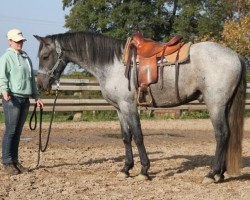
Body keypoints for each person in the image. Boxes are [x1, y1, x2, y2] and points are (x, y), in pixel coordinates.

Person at [0, 29, 43, 175]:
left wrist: (36, 97)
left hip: (25, 99)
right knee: (10, 131)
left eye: (21, 41)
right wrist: (4, 91)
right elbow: (2, 76)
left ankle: (15, 161)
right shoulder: (6, 57)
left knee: (17, 132)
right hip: (12, 98)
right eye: (17, 41)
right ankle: (7, 161)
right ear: (10, 41)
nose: (20, 43)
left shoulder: (26, 58)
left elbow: (32, 79)